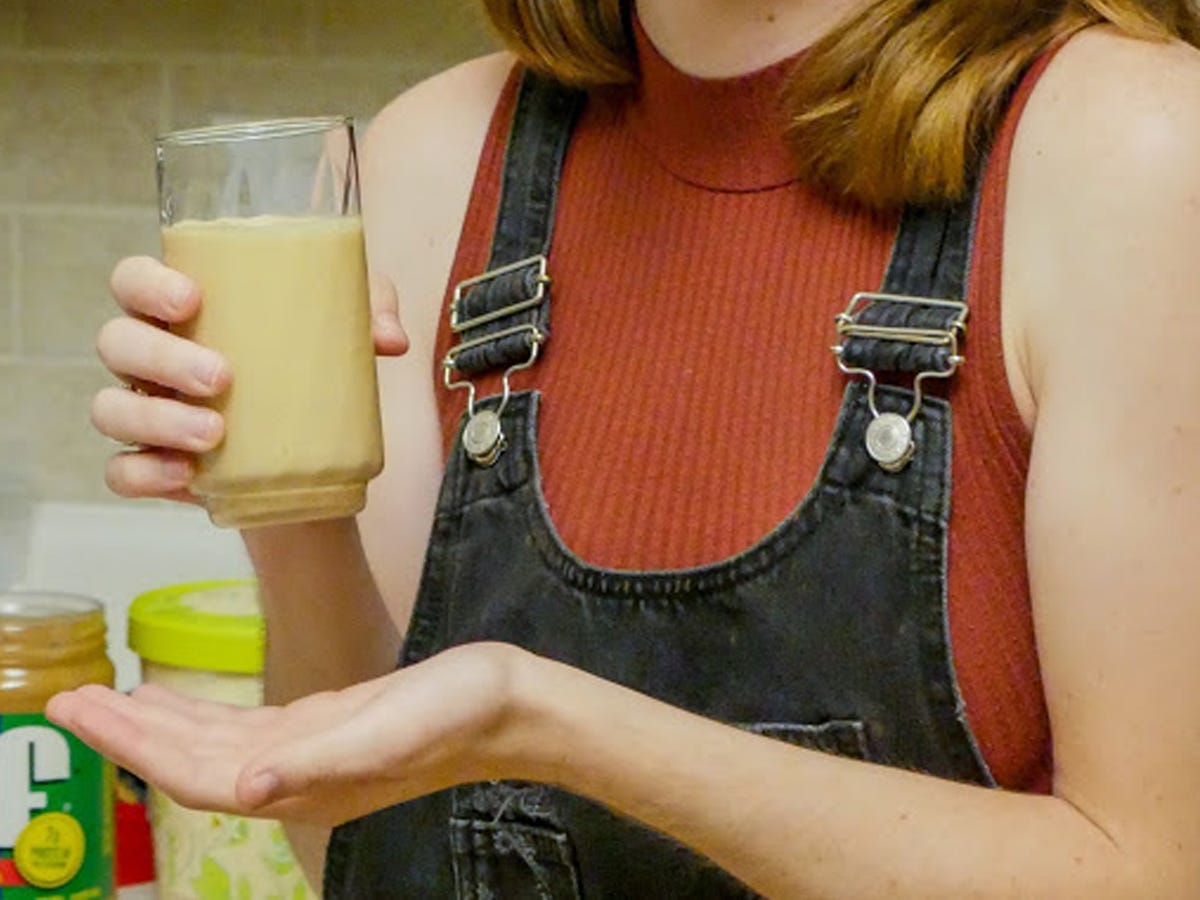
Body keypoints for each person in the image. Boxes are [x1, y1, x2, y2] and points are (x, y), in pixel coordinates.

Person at [47, 0, 1200, 895]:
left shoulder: (1134, 152)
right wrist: (284, 499)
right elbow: (365, 847)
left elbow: (1150, 875)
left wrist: (549, 725)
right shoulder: (435, 155)